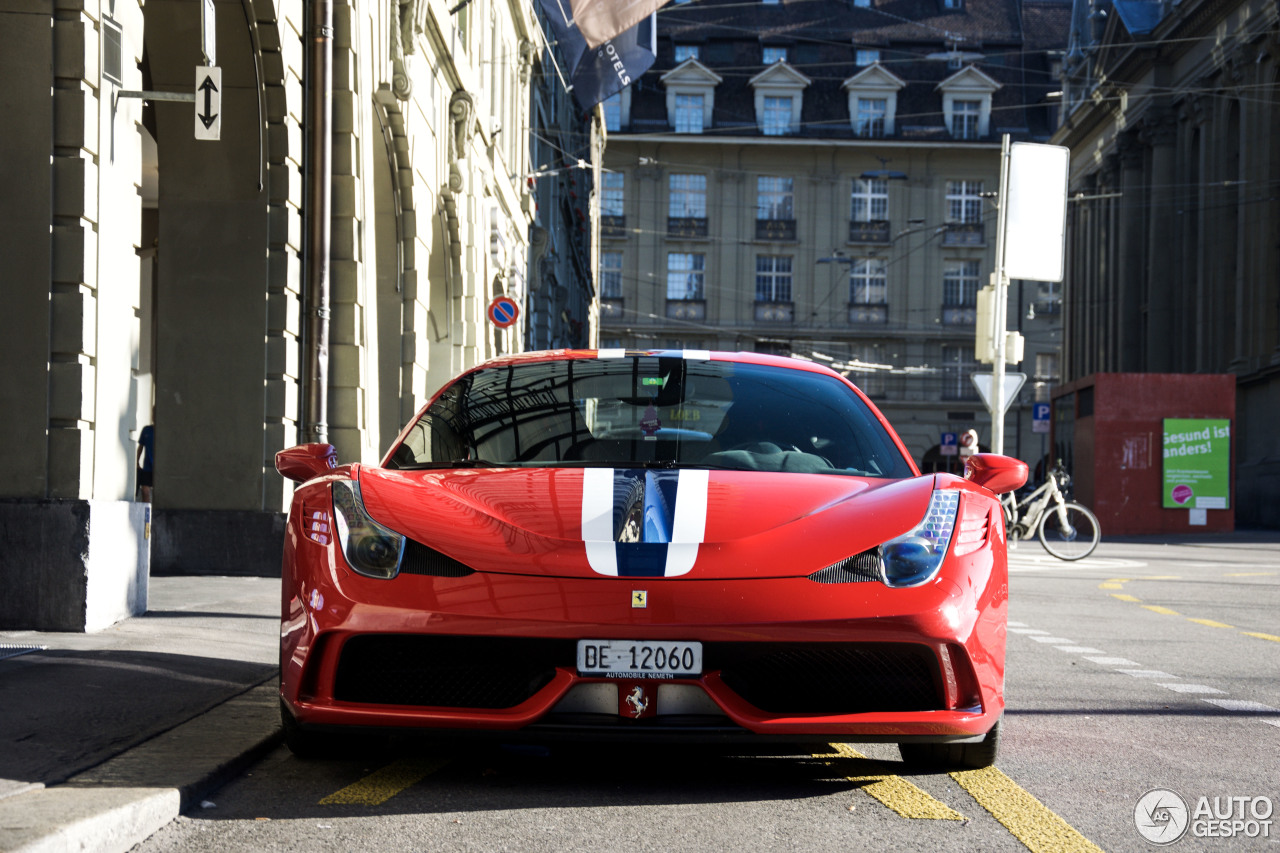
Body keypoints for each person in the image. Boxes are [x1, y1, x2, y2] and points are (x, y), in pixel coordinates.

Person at [136, 421, 155, 502]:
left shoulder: (165, 431)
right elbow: (140, 447)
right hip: (147, 468)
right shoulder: (146, 430)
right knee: (145, 490)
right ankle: (146, 512)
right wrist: (136, 461)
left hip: (161, 469)